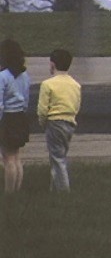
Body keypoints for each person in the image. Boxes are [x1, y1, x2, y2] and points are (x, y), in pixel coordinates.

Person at [38, 49, 81, 192]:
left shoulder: (47, 84)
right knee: (59, 156)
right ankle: (54, 189)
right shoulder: (75, 84)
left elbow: (43, 109)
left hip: (54, 122)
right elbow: (76, 105)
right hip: (70, 123)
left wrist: (43, 123)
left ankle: (63, 191)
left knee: (57, 158)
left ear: (52, 64)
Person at [0, 38, 31, 195]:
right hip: (20, 117)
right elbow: (26, 98)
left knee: (8, 158)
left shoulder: (3, 76)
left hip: (8, 119)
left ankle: (9, 192)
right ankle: (17, 190)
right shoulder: (24, 75)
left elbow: (0, 103)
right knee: (16, 156)